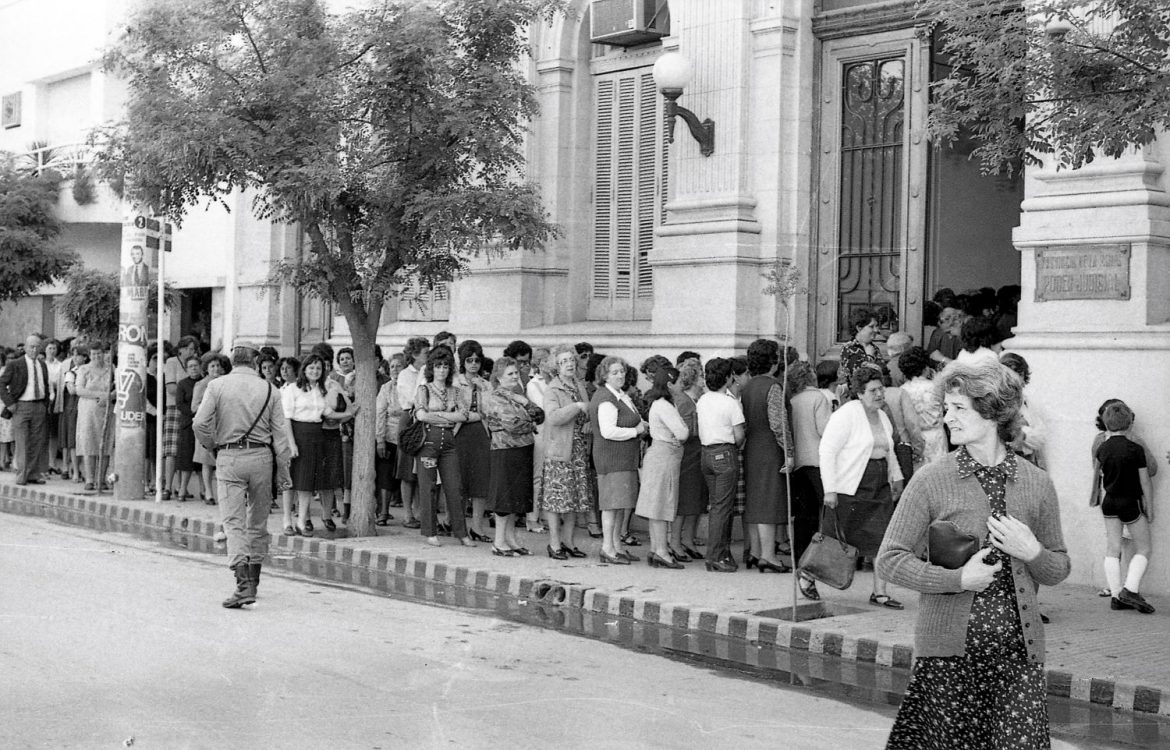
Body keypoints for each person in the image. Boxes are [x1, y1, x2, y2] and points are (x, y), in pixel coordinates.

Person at [877, 358, 1070, 748]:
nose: (948, 418)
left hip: (1018, 657)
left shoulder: (1037, 483)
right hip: (947, 658)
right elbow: (890, 559)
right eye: (947, 408)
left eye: (959, 408)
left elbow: (1058, 567)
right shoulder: (931, 479)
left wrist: (1033, 552)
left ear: (993, 411)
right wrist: (958, 579)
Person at [193, 343, 291, 609]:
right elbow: (281, 436)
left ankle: (242, 582)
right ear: (255, 362)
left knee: (233, 523)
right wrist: (283, 471)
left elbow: (199, 423)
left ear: (232, 361)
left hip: (229, 456)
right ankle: (254, 581)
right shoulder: (270, 389)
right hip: (262, 458)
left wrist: (211, 444)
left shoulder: (217, 386)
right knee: (258, 522)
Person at [818, 365, 905, 608]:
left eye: (881, 389)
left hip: (879, 484)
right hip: (851, 485)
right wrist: (829, 489)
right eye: (873, 390)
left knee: (882, 538)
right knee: (835, 539)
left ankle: (880, 592)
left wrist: (897, 477)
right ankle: (807, 575)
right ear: (859, 393)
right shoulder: (845, 415)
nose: (879, 394)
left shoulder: (883, 416)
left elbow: (889, 451)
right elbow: (827, 451)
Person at [1093, 401, 1156, 613]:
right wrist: (1150, 506)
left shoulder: (1102, 448)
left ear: (1106, 423)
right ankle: (1130, 589)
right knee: (1144, 548)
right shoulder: (1135, 449)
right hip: (1129, 502)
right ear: (1129, 422)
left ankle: (1115, 595)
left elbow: (1098, 475)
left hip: (1109, 502)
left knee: (1113, 548)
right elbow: (1145, 481)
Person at [740, 339, 793, 573]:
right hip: (770, 449)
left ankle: (755, 551)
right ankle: (768, 555)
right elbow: (778, 423)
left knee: (755, 501)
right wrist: (789, 451)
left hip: (752, 446)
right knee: (769, 502)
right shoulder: (773, 386)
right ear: (773, 361)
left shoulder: (747, 386)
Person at [413, 346, 474, 547]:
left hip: (448, 441)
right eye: (438, 366)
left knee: (455, 487)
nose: (442, 370)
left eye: (445, 366)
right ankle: (430, 532)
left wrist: (438, 416)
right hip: (428, 442)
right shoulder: (424, 389)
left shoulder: (456, 391)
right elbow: (421, 415)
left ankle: (461, 532)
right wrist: (448, 417)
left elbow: (463, 415)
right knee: (428, 486)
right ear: (432, 368)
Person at [589, 356, 646, 565]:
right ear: (604, 376)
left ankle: (617, 547)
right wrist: (636, 431)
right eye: (614, 372)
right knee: (611, 506)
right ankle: (607, 548)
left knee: (620, 504)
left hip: (624, 459)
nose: (620, 375)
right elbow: (608, 431)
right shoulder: (606, 398)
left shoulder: (620, 395)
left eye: (622, 371)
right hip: (612, 459)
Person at [540, 344, 594, 559]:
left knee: (573, 498)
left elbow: (587, 411)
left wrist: (587, 421)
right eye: (563, 361)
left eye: (571, 360)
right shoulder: (553, 389)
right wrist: (576, 407)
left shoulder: (578, 385)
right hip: (560, 450)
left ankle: (569, 541)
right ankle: (554, 544)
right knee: (556, 499)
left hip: (578, 448)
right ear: (556, 366)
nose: (569, 364)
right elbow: (553, 417)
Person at [282, 354, 345, 536]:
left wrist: (351, 412)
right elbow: (286, 418)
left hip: (315, 436)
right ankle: (287, 521)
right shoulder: (293, 389)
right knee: (291, 481)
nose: (315, 371)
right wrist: (292, 444)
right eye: (311, 367)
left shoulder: (320, 390)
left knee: (307, 481)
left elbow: (329, 413)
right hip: (297, 434)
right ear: (304, 369)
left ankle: (302, 521)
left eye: (318, 368)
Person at [634, 367, 688, 569]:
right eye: (679, 381)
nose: (682, 385)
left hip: (659, 455)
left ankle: (656, 548)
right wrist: (678, 434)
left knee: (655, 504)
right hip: (664, 456)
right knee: (661, 505)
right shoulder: (665, 406)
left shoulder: (659, 404)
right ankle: (662, 552)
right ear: (670, 384)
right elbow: (683, 433)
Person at [483, 356, 537, 556]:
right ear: (499, 377)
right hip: (505, 450)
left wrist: (528, 416)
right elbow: (512, 425)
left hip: (522, 449)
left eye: (516, 373)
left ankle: (511, 539)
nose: (515, 376)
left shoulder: (517, 396)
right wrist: (531, 424)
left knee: (516, 498)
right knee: (504, 498)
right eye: (510, 374)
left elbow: (538, 415)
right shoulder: (495, 397)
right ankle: (498, 542)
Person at [696, 358, 746, 572]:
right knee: (722, 508)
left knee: (717, 505)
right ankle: (716, 555)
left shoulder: (702, 400)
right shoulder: (730, 403)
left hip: (706, 453)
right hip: (725, 452)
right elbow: (739, 435)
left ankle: (721, 553)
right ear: (727, 378)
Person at [787, 361, 830, 600]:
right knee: (821, 517)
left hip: (799, 463)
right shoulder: (819, 398)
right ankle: (814, 566)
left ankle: (800, 562)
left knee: (804, 518)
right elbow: (825, 430)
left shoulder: (793, 400)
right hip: (818, 461)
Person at [0, 334, 52, 485]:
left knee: (37, 441)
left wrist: (45, 403)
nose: (34, 350)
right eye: (31, 347)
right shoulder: (15, 364)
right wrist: (9, 403)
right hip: (21, 406)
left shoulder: (42, 365)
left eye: (37, 347)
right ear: (25, 348)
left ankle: (33, 474)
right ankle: (22, 475)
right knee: (22, 441)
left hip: (39, 405)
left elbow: (45, 385)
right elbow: (1, 384)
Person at [455, 340, 492, 542]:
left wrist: (483, 390)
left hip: (481, 435)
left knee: (480, 481)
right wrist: (476, 415)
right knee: (460, 481)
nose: (473, 364)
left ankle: (477, 527)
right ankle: (459, 526)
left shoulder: (486, 384)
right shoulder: (456, 382)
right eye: (469, 360)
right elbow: (459, 411)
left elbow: (490, 411)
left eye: (477, 360)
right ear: (463, 361)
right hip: (460, 434)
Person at [670, 357, 707, 560]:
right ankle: (675, 542)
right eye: (701, 376)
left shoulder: (698, 400)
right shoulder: (684, 401)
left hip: (697, 455)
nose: (704, 381)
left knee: (696, 501)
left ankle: (688, 540)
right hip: (687, 456)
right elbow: (685, 432)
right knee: (684, 502)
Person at [397, 337, 430, 530]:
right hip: (410, 419)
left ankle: (419, 512)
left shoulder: (427, 372)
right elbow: (412, 398)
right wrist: (422, 376)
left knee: (421, 469)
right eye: (425, 353)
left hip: (424, 419)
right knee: (407, 470)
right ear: (415, 355)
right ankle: (407, 513)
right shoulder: (405, 374)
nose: (428, 356)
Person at [74, 343, 116, 491]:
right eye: (93, 354)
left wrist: (109, 396)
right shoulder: (83, 369)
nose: (97, 356)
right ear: (89, 355)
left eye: (99, 353)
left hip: (106, 409)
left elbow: (118, 387)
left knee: (105, 443)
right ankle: (90, 479)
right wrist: (100, 395)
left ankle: (101, 479)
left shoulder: (111, 368)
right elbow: (79, 390)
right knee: (89, 442)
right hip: (88, 409)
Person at [899, 347, 947, 467]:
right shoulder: (936, 387)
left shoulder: (902, 390)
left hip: (914, 438)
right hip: (936, 435)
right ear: (925, 367)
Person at [164, 336, 199, 498]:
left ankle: (181, 487)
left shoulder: (194, 365)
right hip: (174, 407)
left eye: (193, 349)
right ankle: (167, 486)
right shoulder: (172, 362)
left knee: (184, 449)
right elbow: (171, 387)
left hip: (190, 410)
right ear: (181, 349)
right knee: (171, 449)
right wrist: (185, 391)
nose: (191, 352)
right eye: (189, 349)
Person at [191, 353, 227, 504]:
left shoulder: (225, 382)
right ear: (206, 368)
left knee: (222, 460)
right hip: (206, 426)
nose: (216, 369)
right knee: (206, 460)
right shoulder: (201, 385)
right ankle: (208, 493)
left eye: (218, 365)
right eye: (212, 366)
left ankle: (223, 493)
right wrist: (208, 406)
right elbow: (194, 407)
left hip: (222, 425)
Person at [374, 353, 405, 526]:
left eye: (398, 366)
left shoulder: (411, 386)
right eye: (392, 366)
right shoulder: (386, 388)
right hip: (389, 436)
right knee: (385, 473)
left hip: (408, 437)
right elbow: (380, 413)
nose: (395, 369)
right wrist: (380, 439)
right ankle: (383, 512)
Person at [1000, 352, 1046, 467]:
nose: (1016, 379)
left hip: (1027, 461)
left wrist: (1023, 433)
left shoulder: (1027, 403)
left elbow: (1041, 437)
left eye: (1020, 374)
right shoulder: (998, 403)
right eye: (1010, 375)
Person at [172, 355, 203, 501]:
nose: (194, 368)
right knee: (186, 458)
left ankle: (204, 490)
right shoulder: (183, 384)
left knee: (203, 459)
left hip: (203, 424)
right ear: (186, 369)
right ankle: (182, 489)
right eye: (190, 366)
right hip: (187, 424)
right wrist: (193, 412)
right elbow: (180, 404)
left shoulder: (205, 382)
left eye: (196, 365)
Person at [837, 309, 886, 400]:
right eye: (871, 326)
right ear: (859, 328)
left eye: (877, 326)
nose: (876, 330)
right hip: (859, 399)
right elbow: (859, 378)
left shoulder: (874, 348)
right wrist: (869, 357)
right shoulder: (849, 349)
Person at [59, 346, 88, 482]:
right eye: (73, 355)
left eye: (78, 355)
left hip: (85, 406)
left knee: (84, 440)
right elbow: (71, 390)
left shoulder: (88, 370)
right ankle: (75, 471)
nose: (75, 358)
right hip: (73, 408)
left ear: (84, 357)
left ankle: (82, 469)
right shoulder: (71, 373)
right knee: (72, 441)